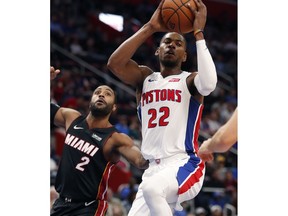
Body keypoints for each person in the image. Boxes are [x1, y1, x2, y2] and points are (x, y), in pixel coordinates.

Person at [107, 0, 217, 215]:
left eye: (178, 44)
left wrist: (198, 33)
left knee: (152, 189)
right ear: (158, 51)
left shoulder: (190, 81)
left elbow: (210, 83)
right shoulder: (145, 78)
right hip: (152, 171)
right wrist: (150, 27)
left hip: (184, 163)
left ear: (184, 56)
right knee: (151, 187)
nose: (172, 45)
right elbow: (115, 64)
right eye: (167, 42)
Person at [50, 66, 149, 216]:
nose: (101, 95)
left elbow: (141, 161)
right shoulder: (71, 117)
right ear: (91, 100)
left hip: (89, 208)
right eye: (97, 93)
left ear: (114, 107)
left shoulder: (116, 138)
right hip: (61, 203)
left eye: (107, 94)